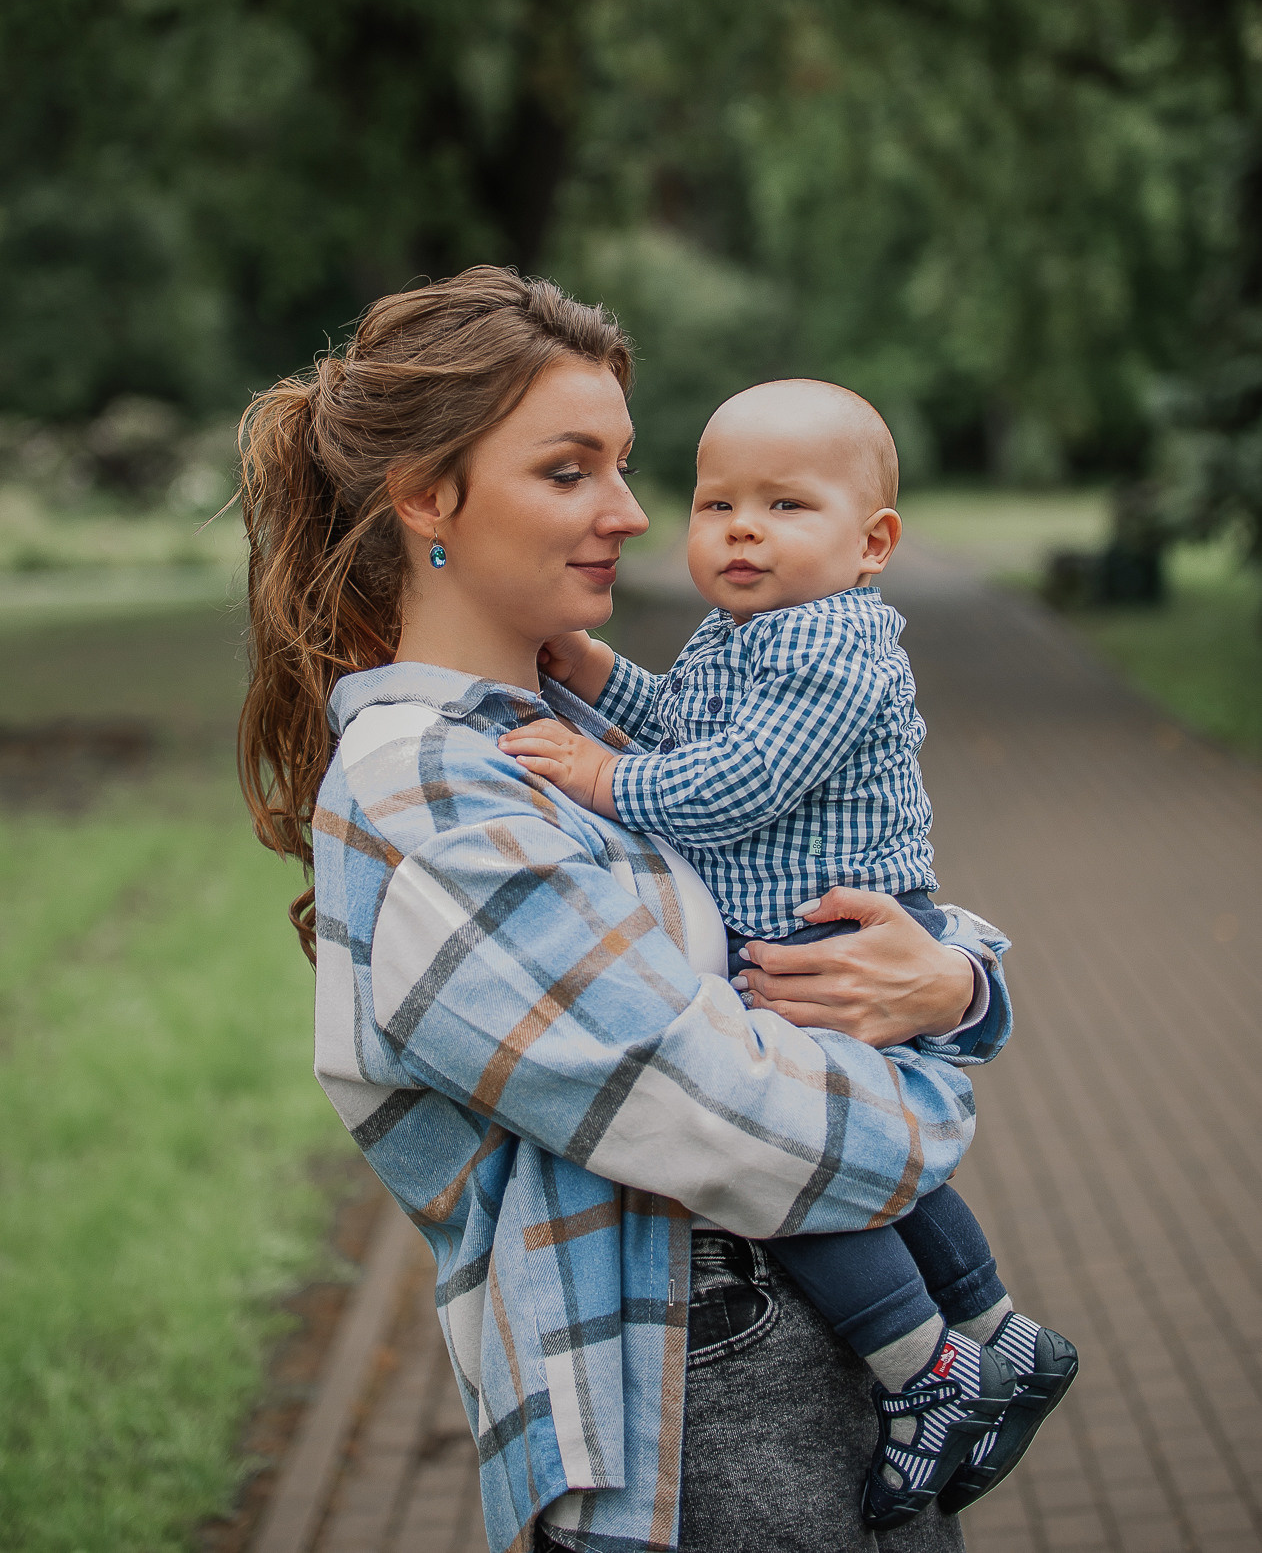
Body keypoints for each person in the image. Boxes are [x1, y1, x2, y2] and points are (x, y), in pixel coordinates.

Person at [236, 268, 1014, 1553]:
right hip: (695, 1397)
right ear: (429, 496)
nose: (636, 515)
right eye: (569, 471)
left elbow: (842, 907)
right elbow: (727, 1115)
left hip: (808, 1346)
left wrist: (955, 987)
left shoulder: (577, 723)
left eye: (628, 466)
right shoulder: (424, 797)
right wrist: (942, 1078)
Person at [500, 379, 1078, 1530]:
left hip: (820, 926)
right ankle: (998, 1336)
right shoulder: (747, 633)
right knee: (860, 1150)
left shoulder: (833, 642)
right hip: (793, 926)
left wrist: (602, 775)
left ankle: (931, 1373)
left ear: (871, 545)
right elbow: (692, 725)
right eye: (717, 503)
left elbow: (739, 779)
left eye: (784, 504)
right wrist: (601, 677)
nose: (741, 528)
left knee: (797, 1169)